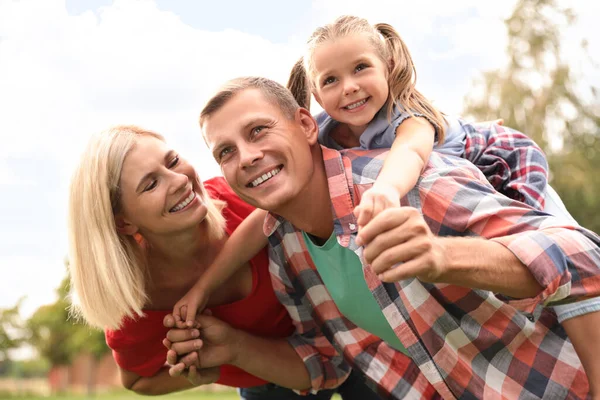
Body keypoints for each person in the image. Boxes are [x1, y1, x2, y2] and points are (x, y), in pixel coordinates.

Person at [171, 18, 600, 392]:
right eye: (225, 152)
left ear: (305, 124)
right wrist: (232, 348)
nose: (245, 157)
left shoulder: (411, 180)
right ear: (318, 99)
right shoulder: (285, 247)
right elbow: (331, 363)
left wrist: (442, 255)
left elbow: (584, 258)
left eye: (259, 130)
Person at [66, 125, 383, 399]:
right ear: (124, 224)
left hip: (364, 338)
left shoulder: (242, 198)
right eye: (150, 184)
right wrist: (204, 367)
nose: (178, 180)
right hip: (272, 385)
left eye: (173, 161)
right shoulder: (137, 301)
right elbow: (136, 380)